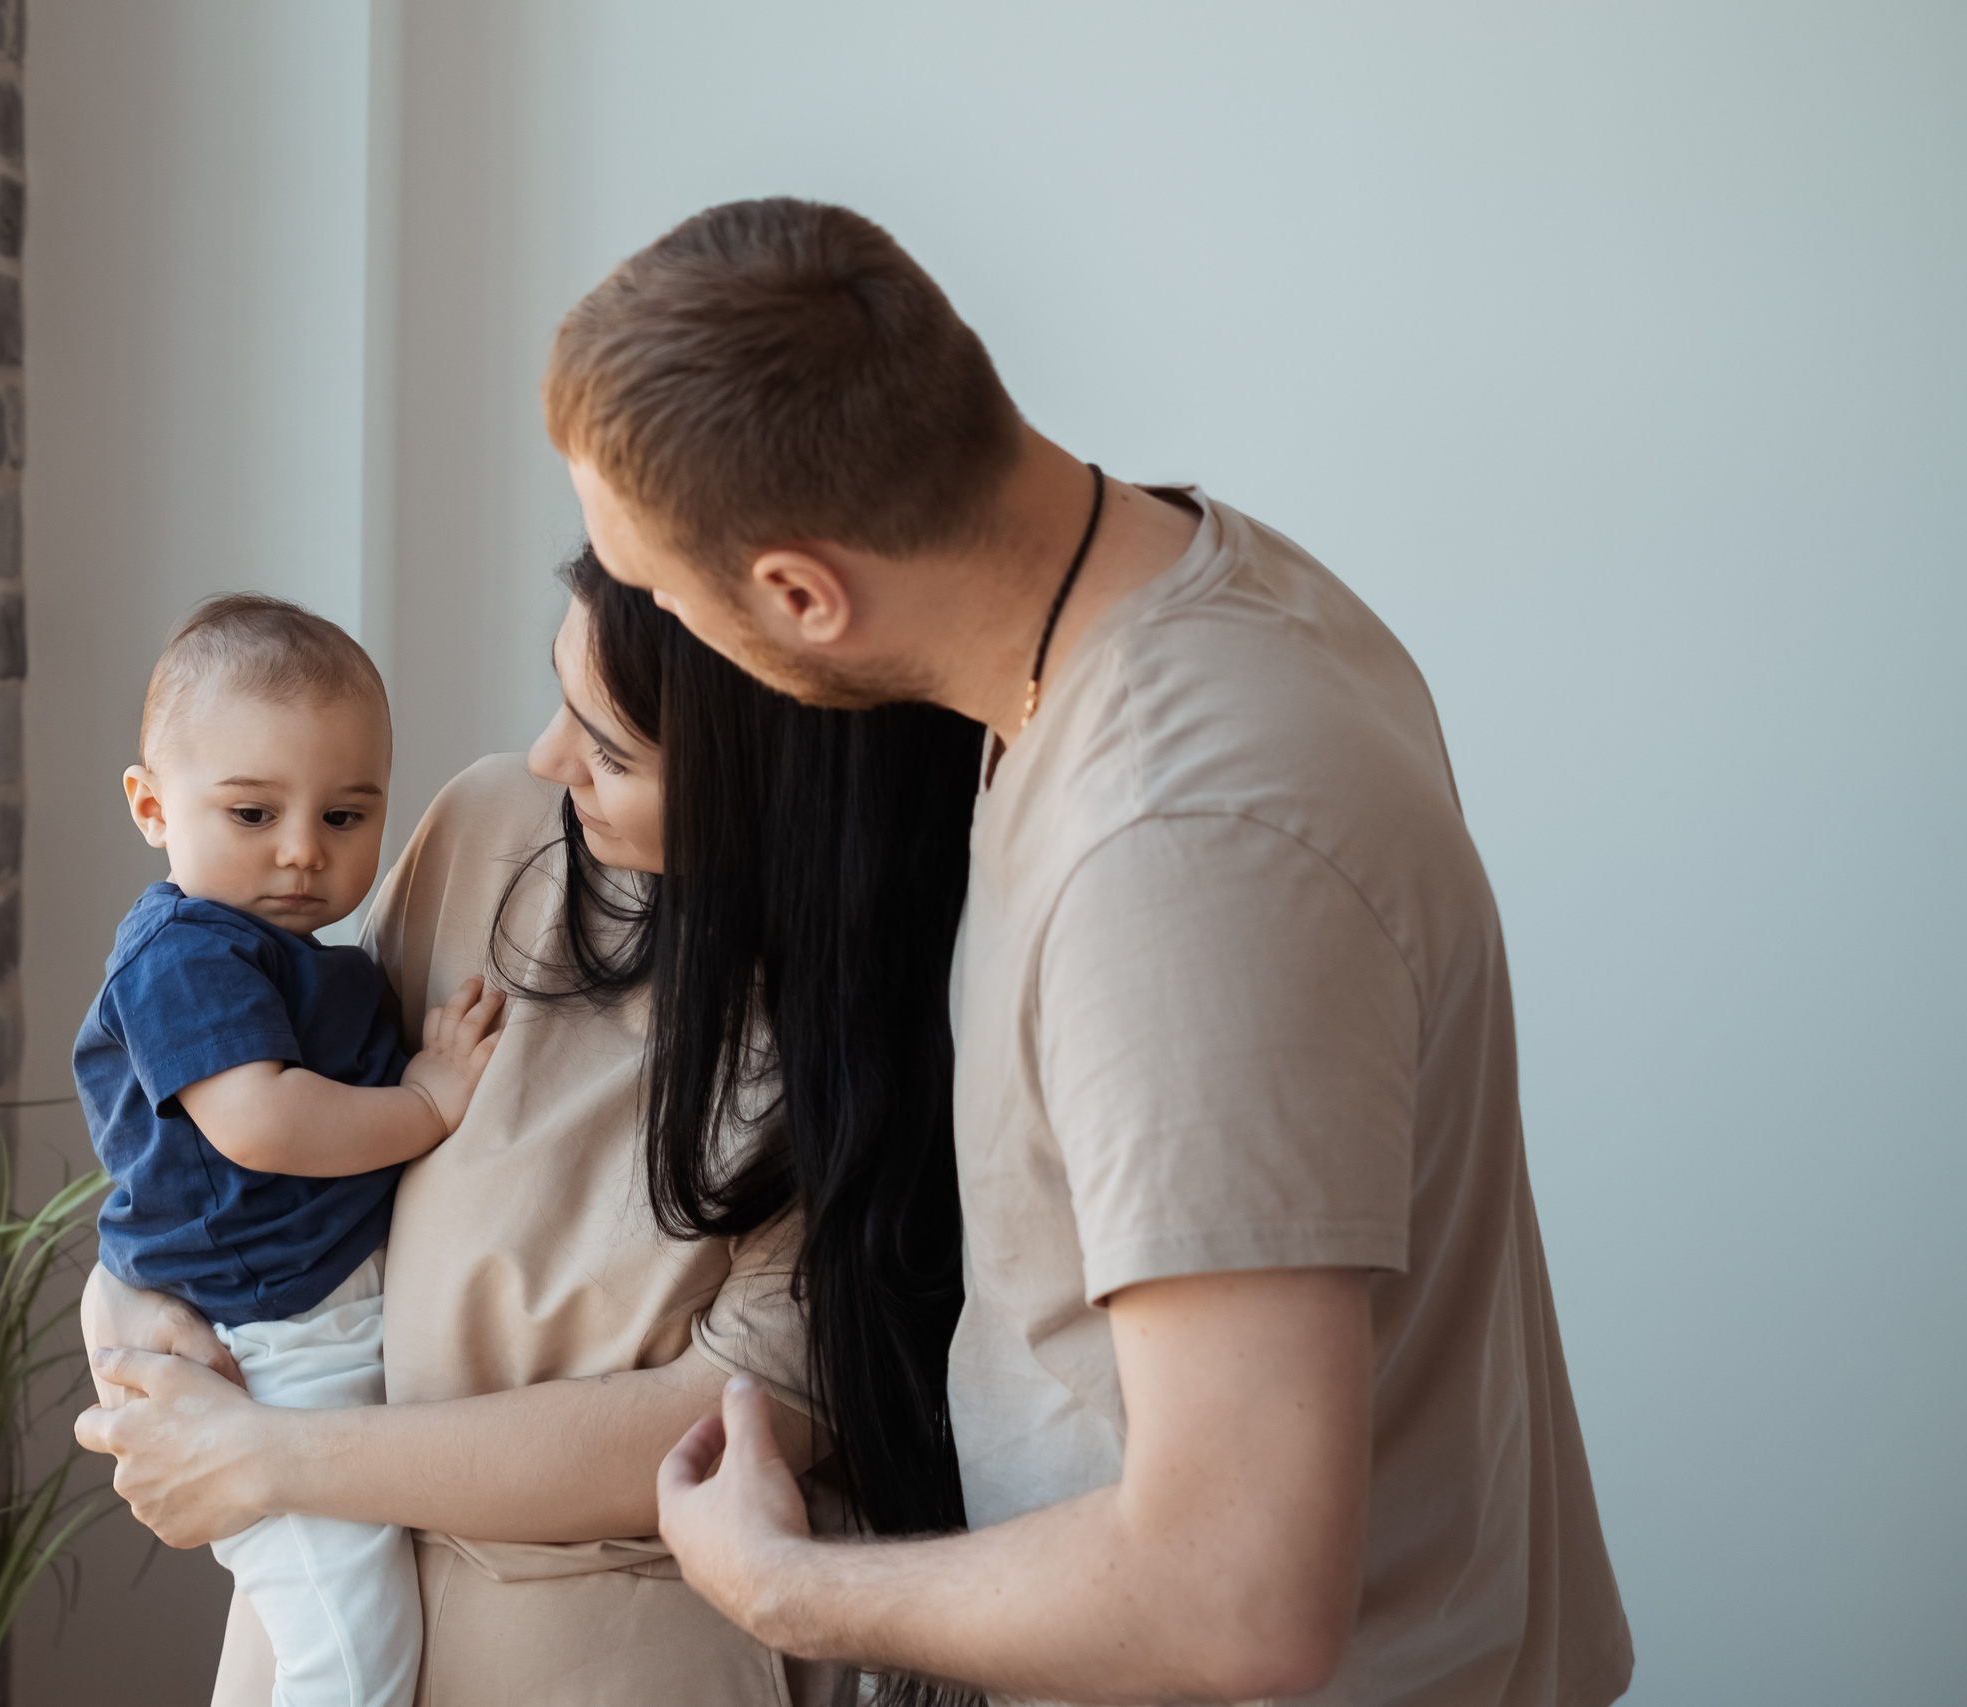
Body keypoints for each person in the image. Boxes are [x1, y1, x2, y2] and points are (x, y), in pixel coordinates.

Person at [555, 199, 1637, 1706]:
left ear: (803, 592)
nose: (665, 629)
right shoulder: (1189, 575)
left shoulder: (1180, 846)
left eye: (666, 596)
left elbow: (1237, 1590)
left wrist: (785, 1584)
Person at [75, 554, 985, 1706]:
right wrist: (131, 1301)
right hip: (319, 1616)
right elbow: (259, 1135)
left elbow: (745, 1412)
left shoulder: (872, 1022)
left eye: (609, 747)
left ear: (771, 778)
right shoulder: (490, 828)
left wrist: (270, 1458)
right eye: (560, 698)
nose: (550, 760)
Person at [73, 595, 508, 1707]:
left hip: (304, 1320)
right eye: (254, 812)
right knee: (351, 1647)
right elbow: (259, 1121)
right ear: (150, 805)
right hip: (274, 1341)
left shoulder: (278, 945)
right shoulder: (184, 953)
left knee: (316, 1625)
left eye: (348, 817)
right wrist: (429, 1100)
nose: (304, 852)